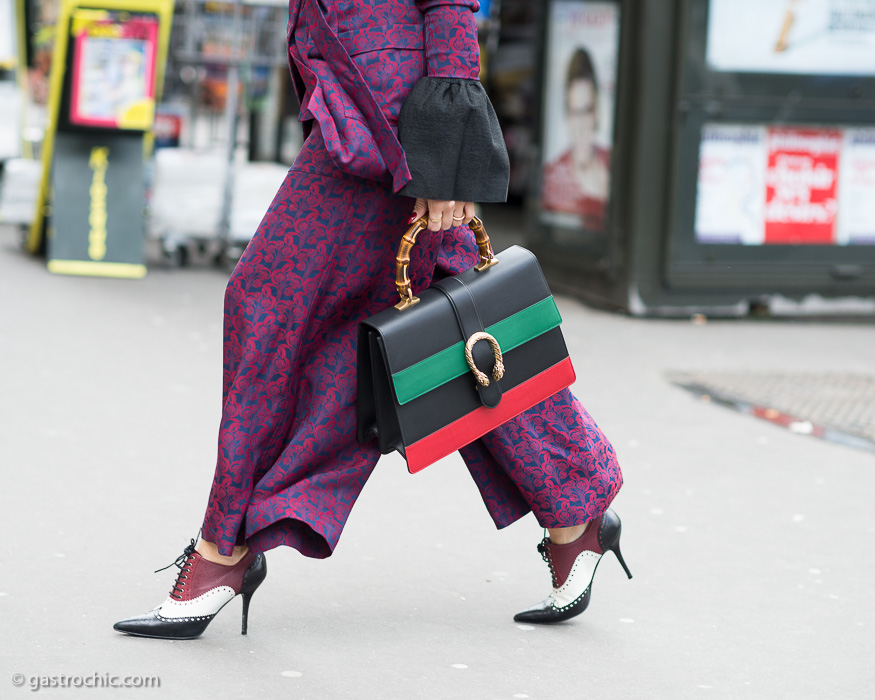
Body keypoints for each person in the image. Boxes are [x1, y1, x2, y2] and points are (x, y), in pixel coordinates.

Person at [113, 0, 629, 640]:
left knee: (270, 304)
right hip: (359, 114)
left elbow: (448, 7)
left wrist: (447, 157)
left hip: (393, 128)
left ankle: (227, 548)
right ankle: (576, 512)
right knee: (458, 327)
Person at [541, 47, 611, 231]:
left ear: (596, 111)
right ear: (567, 115)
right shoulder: (554, 173)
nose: (580, 124)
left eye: (586, 110)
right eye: (574, 112)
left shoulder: (612, 162)